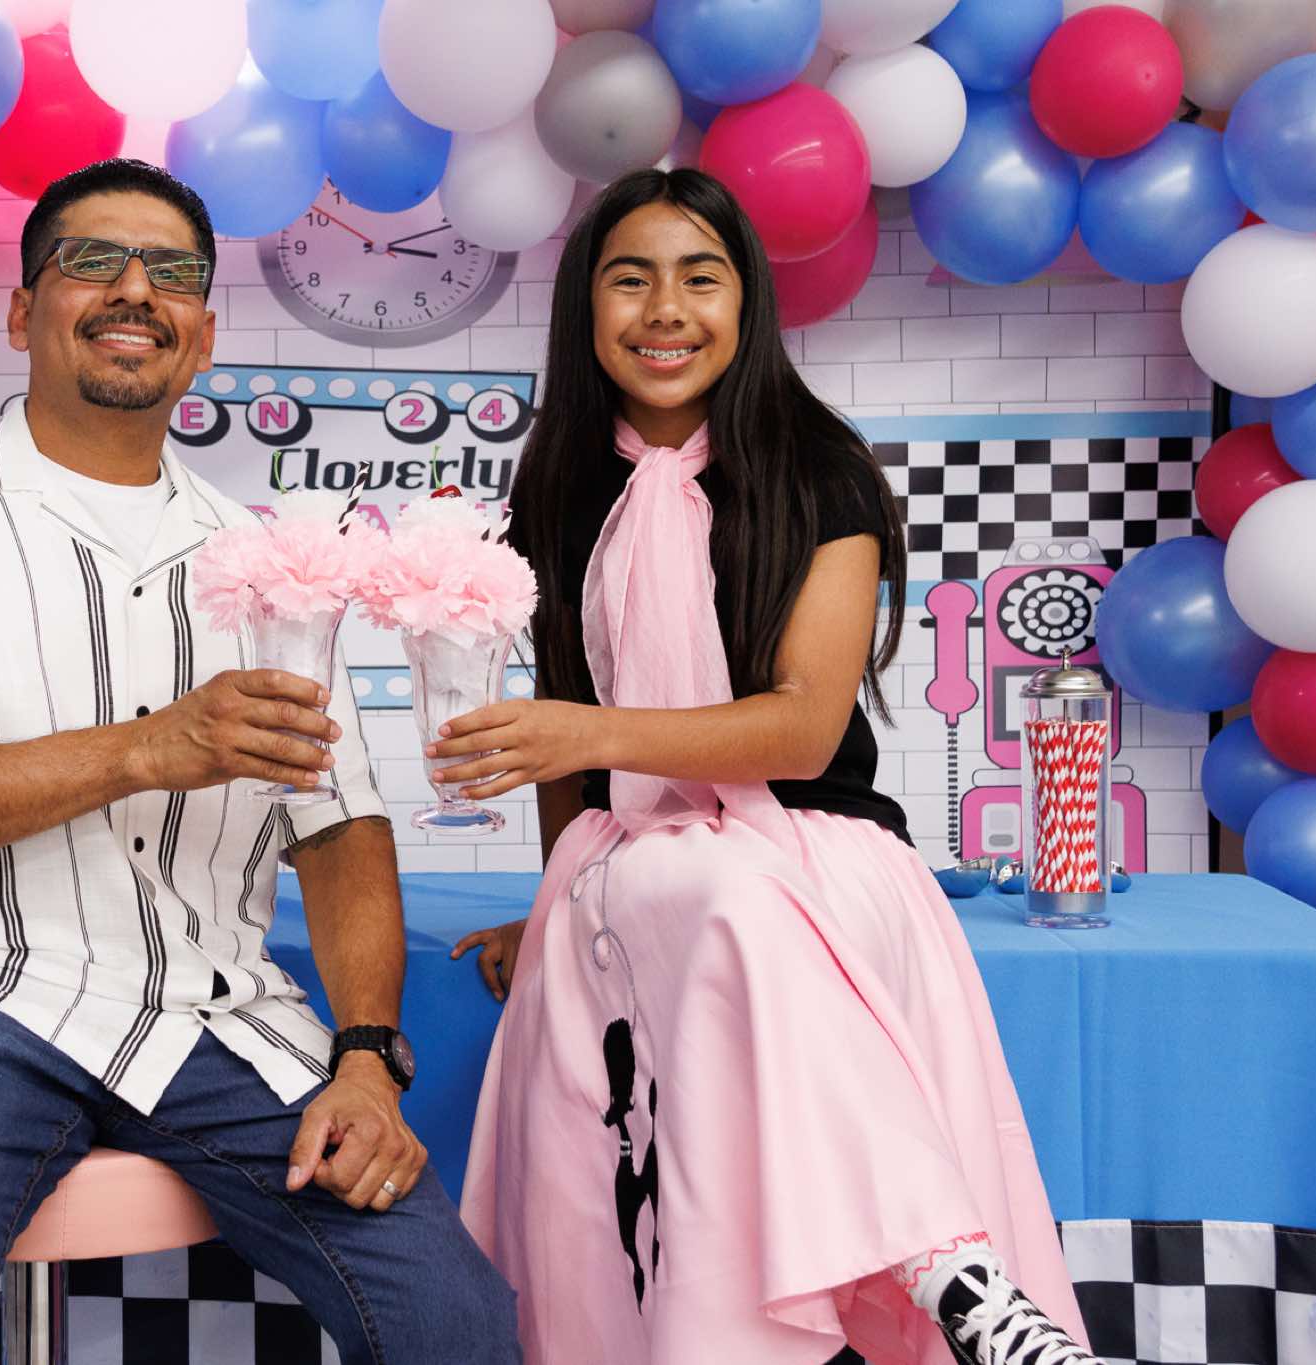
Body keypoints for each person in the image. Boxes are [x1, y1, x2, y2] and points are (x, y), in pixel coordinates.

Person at [0, 158, 518, 1365]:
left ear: (203, 336)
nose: (135, 290)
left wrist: (365, 1059)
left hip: (214, 1014)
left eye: (172, 274)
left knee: (451, 1322)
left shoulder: (264, 560)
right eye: (93, 261)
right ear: (21, 310)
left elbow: (338, 828)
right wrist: (144, 748)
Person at [441, 167, 1099, 1365]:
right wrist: (554, 907)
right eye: (628, 279)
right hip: (630, 854)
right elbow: (564, 757)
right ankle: (948, 1275)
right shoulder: (556, 483)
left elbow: (798, 729)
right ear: (584, 308)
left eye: (700, 278)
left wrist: (586, 736)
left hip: (811, 847)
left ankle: (935, 1271)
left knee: (724, 892)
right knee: (672, 880)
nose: (664, 310)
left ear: (745, 302)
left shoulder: (819, 467)